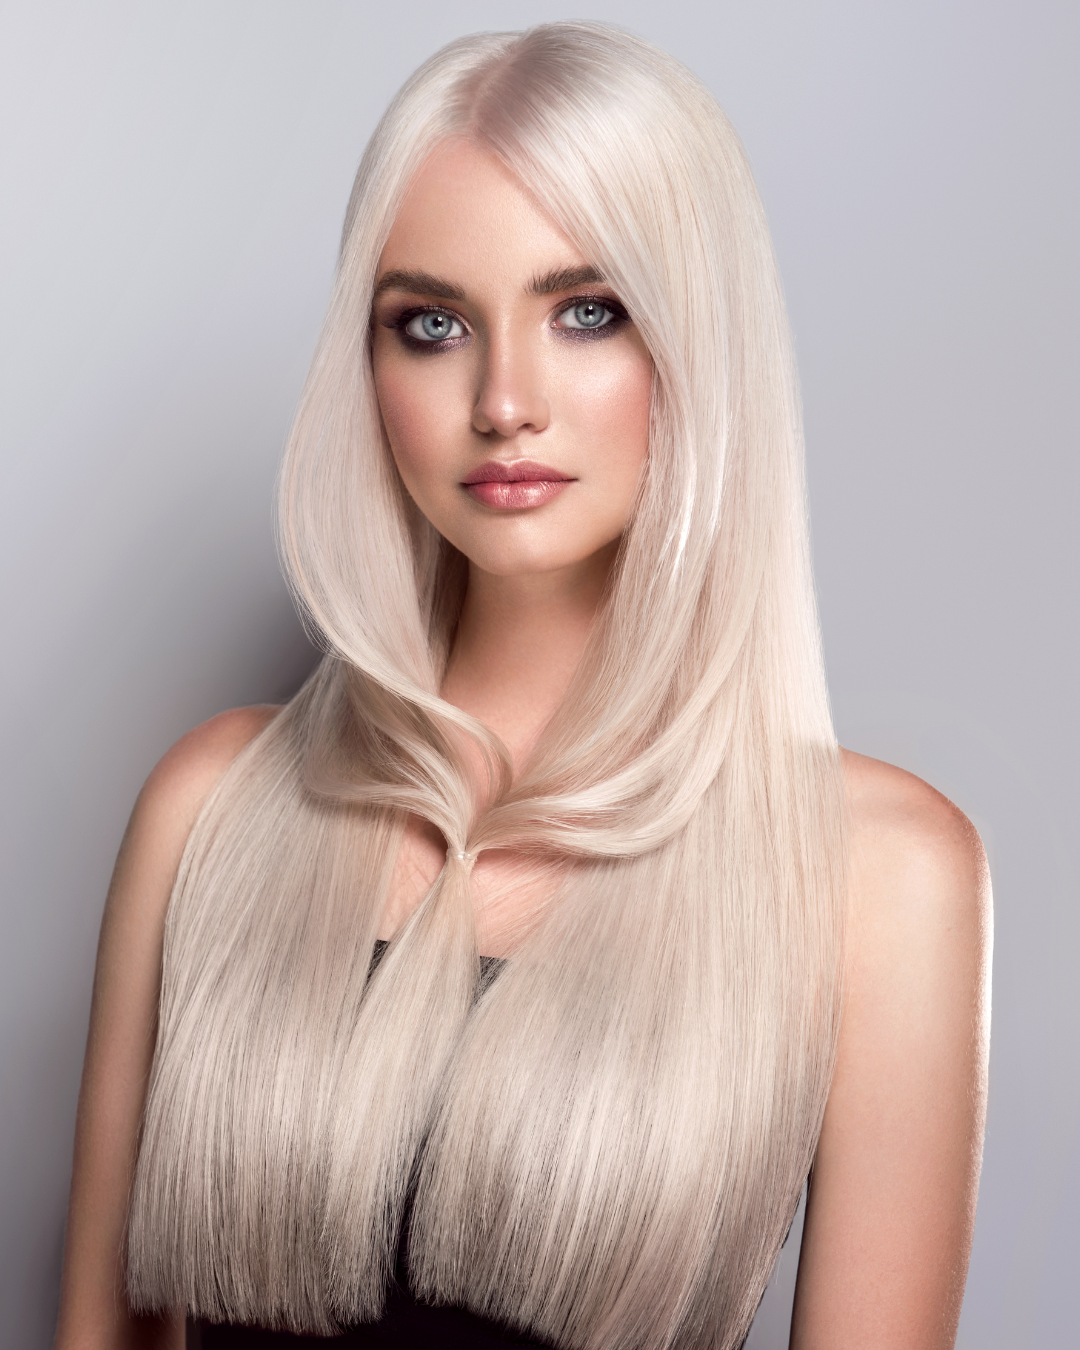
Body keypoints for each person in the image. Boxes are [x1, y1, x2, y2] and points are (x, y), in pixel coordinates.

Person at [53, 22, 991, 1350]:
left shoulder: (879, 873)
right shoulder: (214, 805)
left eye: (588, 312)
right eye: (432, 325)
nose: (505, 398)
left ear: (698, 343)